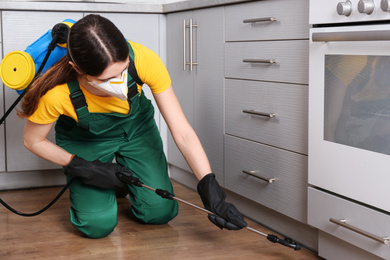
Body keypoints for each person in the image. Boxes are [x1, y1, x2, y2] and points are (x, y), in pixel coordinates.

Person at [19, 14, 247, 239]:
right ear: (78, 69)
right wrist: (82, 166)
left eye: (123, 70)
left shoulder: (144, 59)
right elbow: (32, 140)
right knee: (96, 226)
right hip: (85, 139)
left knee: (160, 212)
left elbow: (183, 132)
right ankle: (110, 183)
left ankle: (122, 184)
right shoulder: (57, 92)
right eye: (106, 79)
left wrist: (208, 184)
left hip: (136, 129)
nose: (119, 81)